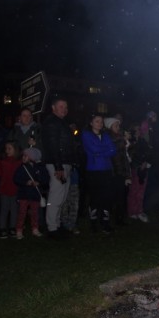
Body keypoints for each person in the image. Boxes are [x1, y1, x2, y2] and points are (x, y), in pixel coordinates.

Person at [41, 98, 76, 239]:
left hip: (64, 163)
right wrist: (58, 166)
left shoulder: (61, 123)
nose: (64, 109)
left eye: (66, 106)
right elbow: (53, 146)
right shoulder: (52, 122)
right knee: (56, 196)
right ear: (53, 108)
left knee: (61, 196)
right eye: (61, 106)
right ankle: (52, 228)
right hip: (58, 164)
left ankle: (56, 224)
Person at [81, 115, 116, 234]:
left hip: (106, 170)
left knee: (106, 197)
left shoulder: (106, 135)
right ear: (91, 123)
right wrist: (104, 150)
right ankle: (93, 222)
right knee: (94, 197)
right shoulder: (86, 135)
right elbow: (93, 149)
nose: (100, 124)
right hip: (93, 170)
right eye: (97, 121)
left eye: (101, 122)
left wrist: (100, 151)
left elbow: (113, 150)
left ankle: (105, 222)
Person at [13, 147, 49, 239]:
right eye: (23, 155)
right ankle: (19, 230)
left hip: (35, 195)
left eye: (26, 156)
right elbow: (16, 179)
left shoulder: (40, 168)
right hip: (24, 194)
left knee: (35, 213)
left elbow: (45, 178)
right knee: (22, 212)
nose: (23, 157)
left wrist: (39, 182)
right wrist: (26, 182)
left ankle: (35, 228)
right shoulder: (22, 168)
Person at [104, 117, 131, 226]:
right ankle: (110, 219)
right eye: (116, 125)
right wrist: (124, 140)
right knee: (114, 197)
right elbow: (115, 150)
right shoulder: (109, 137)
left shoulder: (119, 138)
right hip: (114, 171)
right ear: (110, 127)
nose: (118, 128)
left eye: (118, 125)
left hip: (121, 171)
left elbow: (124, 155)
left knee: (121, 196)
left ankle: (119, 219)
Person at [0, 141, 21, 239]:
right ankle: (2, 228)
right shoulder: (3, 161)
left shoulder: (18, 162)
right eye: (6, 148)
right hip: (4, 189)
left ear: (15, 150)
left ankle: (13, 227)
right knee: (4, 209)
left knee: (14, 210)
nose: (7, 150)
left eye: (9, 148)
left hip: (15, 188)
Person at [127, 123, 151, 223]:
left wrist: (145, 162)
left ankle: (139, 210)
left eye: (139, 129)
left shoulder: (142, 141)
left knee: (141, 191)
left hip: (143, 169)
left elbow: (148, 153)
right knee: (134, 191)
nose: (138, 131)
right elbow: (130, 156)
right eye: (135, 130)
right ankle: (132, 211)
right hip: (134, 169)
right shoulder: (129, 142)